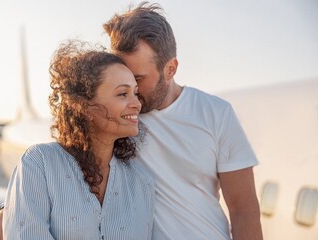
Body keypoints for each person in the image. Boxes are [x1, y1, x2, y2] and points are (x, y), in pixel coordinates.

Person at [103, 2, 263, 240]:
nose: (131, 90)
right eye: (123, 78)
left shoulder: (217, 114)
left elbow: (244, 210)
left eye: (138, 78)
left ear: (170, 69)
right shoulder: (114, 117)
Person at [0, 41, 154, 239]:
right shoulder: (40, 163)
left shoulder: (141, 182)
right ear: (84, 106)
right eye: (123, 94)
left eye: (136, 93)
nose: (136, 104)